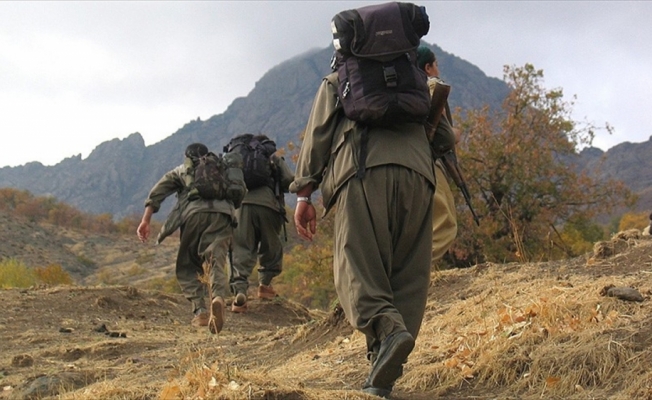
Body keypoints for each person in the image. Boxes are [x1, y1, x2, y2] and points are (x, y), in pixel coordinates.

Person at [291, 61, 436, 398]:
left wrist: (303, 194)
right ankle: (381, 371)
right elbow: (442, 136)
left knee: (355, 265)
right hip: (419, 177)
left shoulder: (338, 80)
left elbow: (317, 137)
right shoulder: (417, 78)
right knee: (408, 274)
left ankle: (388, 332)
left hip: (362, 170)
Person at [136, 143, 241, 334]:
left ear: (187, 156)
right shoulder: (222, 168)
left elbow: (158, 192)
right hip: (222, 215)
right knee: (215, 260)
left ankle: (200, 311)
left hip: (193, 215)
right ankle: (217, 297)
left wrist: (146, 220)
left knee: (188, 264)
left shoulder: (182, 170)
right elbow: (239, 191)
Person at [229, 135, 294, 312]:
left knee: (242, 247)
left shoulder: (237, 156)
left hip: (241, 206)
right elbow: (288, 179)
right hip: (268, 205)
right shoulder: (270, 153)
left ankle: (239, 293)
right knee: (270, 245)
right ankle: (265, 286)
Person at [416, 45, 459, 265]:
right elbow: (441, 135)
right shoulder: (432, 87)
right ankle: (411, 275)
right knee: (445, 225)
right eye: (436, 65)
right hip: (426, 162)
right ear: (428, 67)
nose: (438, 69)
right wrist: (455, 134)